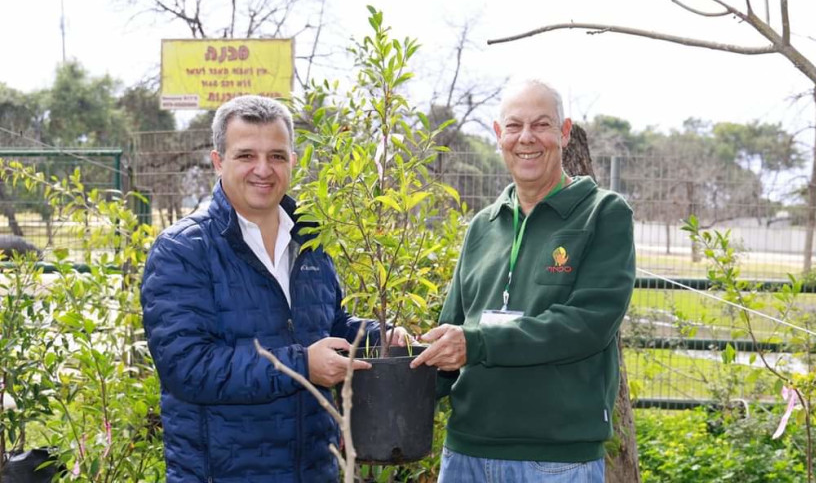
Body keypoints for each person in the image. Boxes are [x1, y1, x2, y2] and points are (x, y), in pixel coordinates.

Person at [141, 95, 406, 482]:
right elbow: (187, 367)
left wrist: (379, 337)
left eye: (277, 156)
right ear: (218, 162)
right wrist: (302, 364)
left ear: (292, 162)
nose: (263, 169)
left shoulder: (310, 238)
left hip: (312, 469)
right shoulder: (183, 249)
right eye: (246, 155)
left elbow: (329, 325)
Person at [411, 80, 636, 482]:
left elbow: (587, 325)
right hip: (465, 455)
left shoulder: (603, 214)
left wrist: (477, 343)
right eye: (514, 126)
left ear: (564, 133)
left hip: (556, 461)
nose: (526, 138)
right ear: (499, 136)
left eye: (541, 125)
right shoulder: (483, 225)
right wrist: (407, 357)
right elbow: (455, 332)